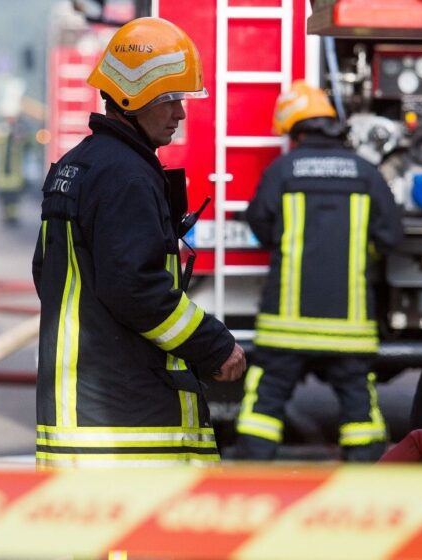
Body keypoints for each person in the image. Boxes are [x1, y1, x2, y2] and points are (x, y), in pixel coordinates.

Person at [32, 17, 246, 468]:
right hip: (122, 426)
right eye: (169, 99)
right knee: (135, 542)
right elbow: (136, 288)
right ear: (133, 96)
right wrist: (213, 345)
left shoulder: (77, 166)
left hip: (80, 415)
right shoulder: (126, 175)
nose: (180, 114)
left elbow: (47, 274)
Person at [234, 80, 402, 462]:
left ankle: (249, 474)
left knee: (265, 403)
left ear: (295, 129)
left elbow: (260, 225)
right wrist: (358, 254)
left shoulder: (283, 170)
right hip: (349, 326)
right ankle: (365, 481)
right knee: (360, 408)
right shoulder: (365, 173)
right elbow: (391, 234)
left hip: (285, 326)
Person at [0, 111, 31, 226]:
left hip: (15, 175)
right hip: (1, 175)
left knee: (13, 199)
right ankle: (6, 216)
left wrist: (21, 136)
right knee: (4, 199)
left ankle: (12, 218)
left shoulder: (20, 131)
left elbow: (28, 145)